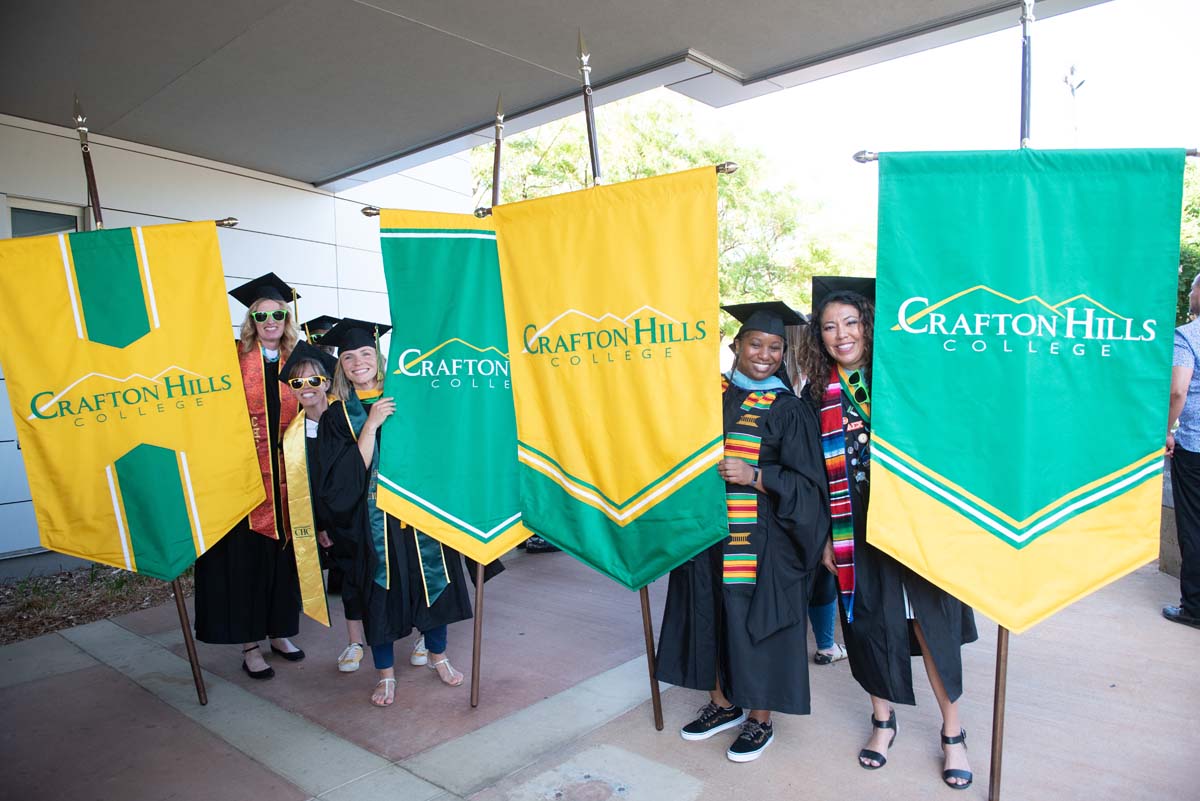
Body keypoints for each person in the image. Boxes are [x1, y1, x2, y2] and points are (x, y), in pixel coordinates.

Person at [800, 277, 977, 790]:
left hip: (915, 522)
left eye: (851, 322)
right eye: (830, 327)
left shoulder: (903, 379)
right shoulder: (814, 395)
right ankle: (883, 719)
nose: (841, 334)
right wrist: (826, 540)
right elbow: (812, 475)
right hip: (851, 525)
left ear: (869, 326)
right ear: (820, 336)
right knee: (869, 623)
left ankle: (954, 732)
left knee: (932, 621)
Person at [656, 301, 830, 763]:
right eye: (756, 343)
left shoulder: (790, 409)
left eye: (775, 347)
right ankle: (722, 704)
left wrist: (757, 476)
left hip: (767, 542)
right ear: (736, 346)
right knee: (712, 614)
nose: (766, 354)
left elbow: (811, 486)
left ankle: (760, 720)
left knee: (761, 626)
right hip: (712, 536)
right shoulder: (711, 397)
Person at [316, 318, 478, 706]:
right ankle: (385, 676)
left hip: (419, 517)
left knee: (434, 587)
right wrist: (370, 425)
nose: (359, 362)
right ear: (341, 365)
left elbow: (439, 452)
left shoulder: (407, 401)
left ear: (379, 357)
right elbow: (339, 482)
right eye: (350, 357)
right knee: (380, 596)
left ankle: (439, 656)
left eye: (366, 354)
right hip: (372, 525)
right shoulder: (337, 418)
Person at [194, 272, 305, 679]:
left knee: (284, 560)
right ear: (251, 321)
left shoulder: (301, 360)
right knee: (246, 562)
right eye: (261, 316)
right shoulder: (232, 358)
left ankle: (280, 631)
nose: (270, 321)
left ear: (287, 318)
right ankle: (249, 645)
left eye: (278, 313)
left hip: (290, 478)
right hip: (244, 479)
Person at [277, 339, 366, 672]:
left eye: (314, 380)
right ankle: (355, 642)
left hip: (366, 509)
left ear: (327, 382)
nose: (307, 388)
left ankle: (414, 631)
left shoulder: (347, 414)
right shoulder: (295, 434)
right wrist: (320, 524)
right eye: (298, 383)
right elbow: (305, 487)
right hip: (335, 519)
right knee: (350, 581)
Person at [1165, 272, 1200, 629]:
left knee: (1193, 525)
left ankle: (1194, 607)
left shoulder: (1188, 336)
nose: (1190, 294)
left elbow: (1178, 390)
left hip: (1195, 445)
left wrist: (1167, 429)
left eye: (1192, 288)